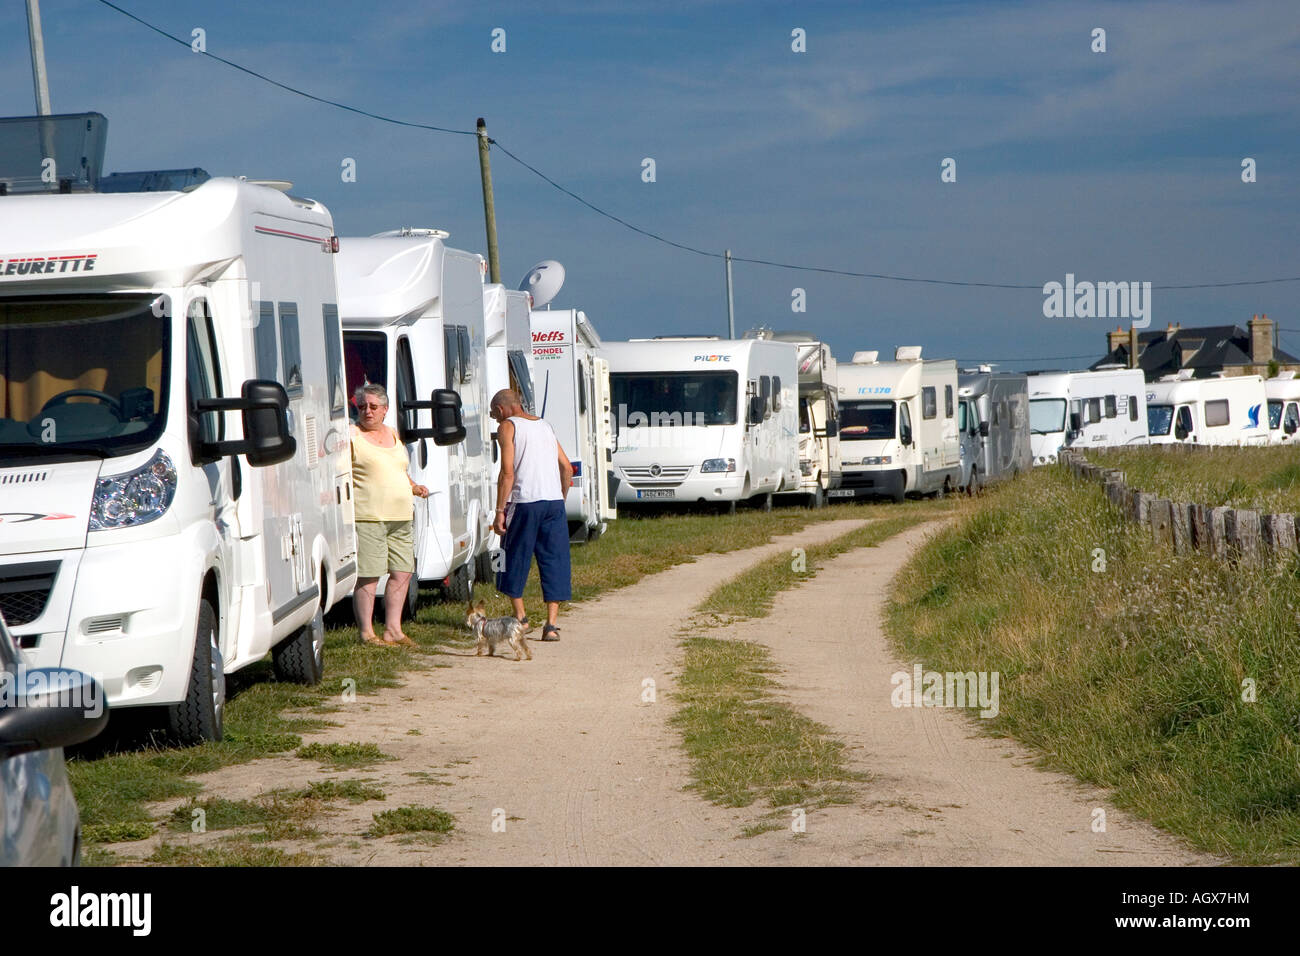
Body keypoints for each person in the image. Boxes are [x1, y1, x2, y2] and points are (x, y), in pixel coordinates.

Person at [350, 383, 429, 647]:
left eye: (373, 407)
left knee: (402, 571)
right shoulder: (352, 435)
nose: (367, 412)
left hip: (401, 515)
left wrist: (414, 486)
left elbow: (398, 469)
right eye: (362, 407)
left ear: (385, 410)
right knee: (370, 574)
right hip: (369, 515)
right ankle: (366, 632)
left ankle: (393, 629)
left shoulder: (393, 434)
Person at [490, 388, 573, 641]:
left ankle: (521, 619)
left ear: (502, 409)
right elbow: (567, 468)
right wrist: (560, 498)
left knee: (510, 555)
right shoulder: (545, 426)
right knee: (555, 560)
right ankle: (551, 625)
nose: (494, 419)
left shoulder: (508, 426)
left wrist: (499, 511)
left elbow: (507, 473)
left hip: (524, 502)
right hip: (553, 503)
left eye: (494, 413)